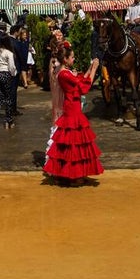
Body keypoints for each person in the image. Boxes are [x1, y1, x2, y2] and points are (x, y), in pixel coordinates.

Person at [43, 46, 103, 184]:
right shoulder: (64, 74)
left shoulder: (65, 72)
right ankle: (73, 174)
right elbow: (84, 87)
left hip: (72, 108)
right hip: (72, 110)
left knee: (72, 143)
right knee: (74, 142)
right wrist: (93, 69)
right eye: (72, 57)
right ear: (65, 59)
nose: (74, 59)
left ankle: (71, 173)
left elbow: (80, 82)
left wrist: (89, 69)